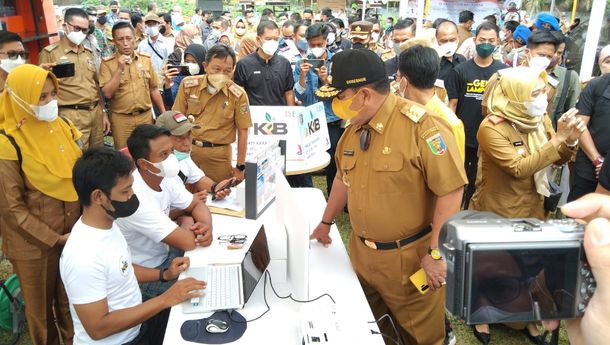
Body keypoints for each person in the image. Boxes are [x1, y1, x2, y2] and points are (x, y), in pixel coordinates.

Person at [311, 49, 467, 345]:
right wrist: (326, 222)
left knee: (420, 336)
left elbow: (451, 190)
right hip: (361, 255)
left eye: (340, 96)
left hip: (408, 261)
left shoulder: (423, 128)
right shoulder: (353, 129)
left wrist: (436, 253)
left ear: (364, 94)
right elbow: (344, 180)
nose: (337, 104)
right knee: (374, 330)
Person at [469, 66, 583, 345]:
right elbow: (519, 168)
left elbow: (557, 159)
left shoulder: (538, 117)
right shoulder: (491, 127)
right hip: (501, 208)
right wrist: (557, 139)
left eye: (543, 92)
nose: (542, 98)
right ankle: (482, 315)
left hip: (536, 206)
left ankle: (524, 319)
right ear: (514, 95)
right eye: (535, 93)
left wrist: (569, 139)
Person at [64, 146, 205, 344]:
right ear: (98, 197)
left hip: (136, 327)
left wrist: (164, 274)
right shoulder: (83, 256)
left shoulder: (108, 225)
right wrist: (166, 299)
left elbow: (122, 268)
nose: (133, 195)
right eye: (125, 191)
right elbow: (98, 328)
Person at [0, 65, 80, 345]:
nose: (49, 103)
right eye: (41, 97)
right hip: (34, 245)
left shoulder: (60, 127)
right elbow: (12, 209)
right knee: (41, 314)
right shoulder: (7, 142)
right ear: (20, 98)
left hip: (71, 234)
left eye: (52, 95)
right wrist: (54, 239)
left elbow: (76, 178)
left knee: (71, 303)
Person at [116, 124, 212, 301]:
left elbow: (197, 204)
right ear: (144, 164)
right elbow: (189, 242)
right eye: (164, 155)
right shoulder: (135, 198)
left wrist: (206, 227)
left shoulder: (164, 178)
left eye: (171, 152)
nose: (172, 158)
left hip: (166, 255)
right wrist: (186, 221)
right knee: (207, 289)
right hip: (149, 274)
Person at [446, 22, 507, 209]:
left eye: (491, 40)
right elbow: (452, 104)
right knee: (458, 178)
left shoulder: (503, 72)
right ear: (475, 40)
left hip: (490, 137)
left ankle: (473, 212)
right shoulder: (460, 70)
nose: (486, 44)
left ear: (497, 42)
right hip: (463, 136)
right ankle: (455, 210)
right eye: (482, 40)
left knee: (482, 179)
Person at [174, 45, 252, 182]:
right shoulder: (188, 85)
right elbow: (175, 120)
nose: (221, 75)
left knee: (218, 195)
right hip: (188, 153)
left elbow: (243, 131)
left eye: (227, 71)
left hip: (219, 157)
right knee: (185, 198)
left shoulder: (238, 95)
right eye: (217, 69)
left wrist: (240, 166)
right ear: (205, 66)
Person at [39, 8, 109, 150]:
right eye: (77, 28)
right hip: (71, 115)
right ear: (65, 26)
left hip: (95, 113)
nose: (81, 33)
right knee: (76, 159)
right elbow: (41, 90)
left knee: (98, 157)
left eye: (85, 30)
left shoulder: (88, 53)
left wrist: (103, 112)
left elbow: (95, 84)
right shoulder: (50, 54)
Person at [100, 21, 165, 149]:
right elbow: (107, 94)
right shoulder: (107, 64)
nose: (125, 43)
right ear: (114, 41)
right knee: (126, 156)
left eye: (129, 38)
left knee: (148, 152)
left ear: (135, 39)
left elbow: (154, 89)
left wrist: (163, 113)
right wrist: (119, 69)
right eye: (120, 39)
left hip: (145, 117)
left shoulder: (145, 59)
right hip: (121, 120)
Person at [397, 45, 465, 162]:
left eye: (397, 77)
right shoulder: (403, 112)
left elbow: (452, 173)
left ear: (403, 82)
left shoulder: (447, 123)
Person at [294, 23, 338, 190]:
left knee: (333, 160)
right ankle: (308, 190)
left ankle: (333, 193)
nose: (316, 48)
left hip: (332, 118)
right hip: (310, 119)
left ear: (326, 41)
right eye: (312, 45)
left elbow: (340, 94)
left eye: (320, 44)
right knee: (307, 158)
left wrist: (326, 79)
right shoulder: (301, 63)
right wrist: (303, 77)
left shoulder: (335, 61)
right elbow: (299, 95)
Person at [155, 111, 233, 198]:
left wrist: (215, 187)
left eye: (189, 135)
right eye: (180, 138)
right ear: (162, 139)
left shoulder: (183, 158)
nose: (187, 143)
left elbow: (199, 179)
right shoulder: (154, 169)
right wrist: (189, 202)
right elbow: (161, 207)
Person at [568, 73, 610, 201]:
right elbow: (580, 125)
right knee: (580, 212)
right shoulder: (598, 85)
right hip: (590, 165)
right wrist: (598, 160)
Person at [234, 20, 295, 106]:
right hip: (253, 115)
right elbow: (239, 93)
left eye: (276, 39)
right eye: (268, 39)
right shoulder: (244, 64)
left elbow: (288, 92)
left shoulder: (284, 63)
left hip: (279, 115)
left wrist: (291, 114)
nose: (272, 42)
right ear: (258, 39)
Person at [137, 14, 169, 79]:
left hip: (162, 78)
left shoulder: (167, 43)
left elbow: (170, 61)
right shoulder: (142, 44)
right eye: (149, 25)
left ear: (159, 26)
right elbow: (138, 61)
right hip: (146, 78)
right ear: (146, 26)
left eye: (154, 24)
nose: (151, 27)